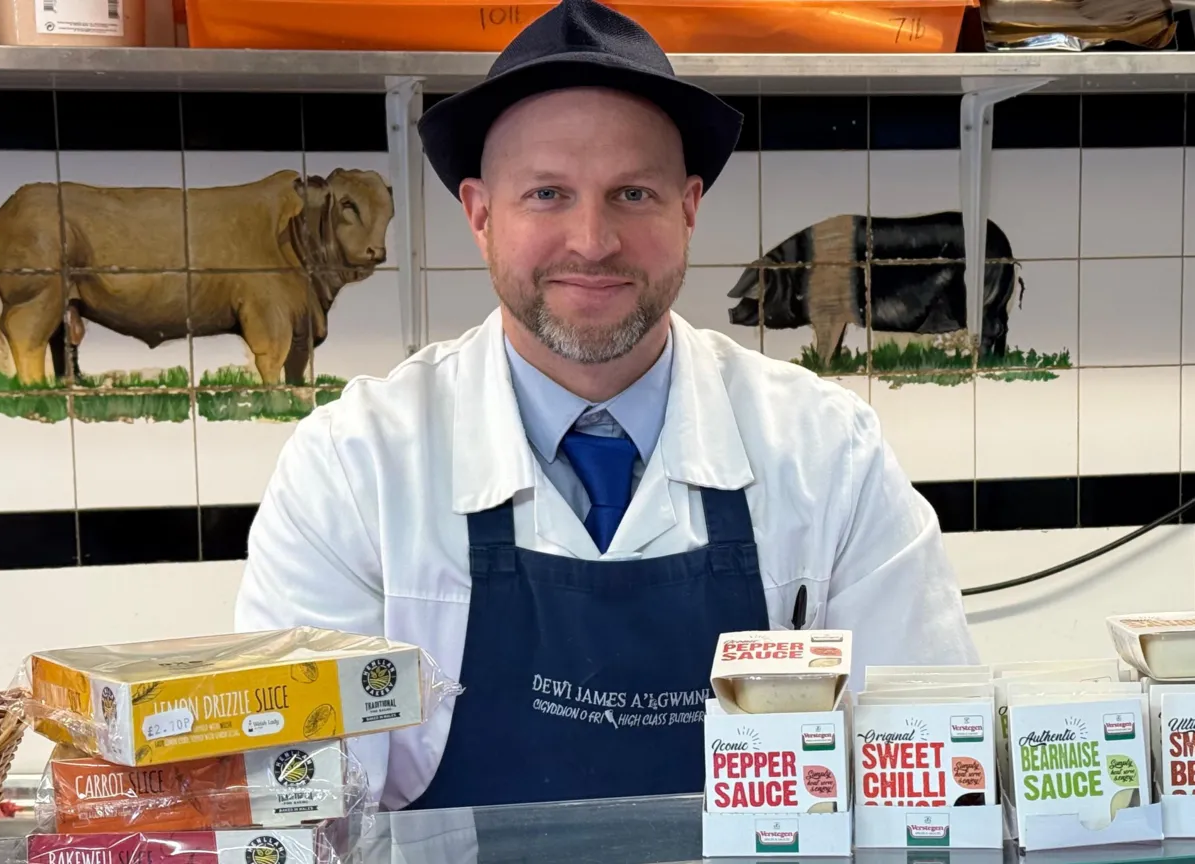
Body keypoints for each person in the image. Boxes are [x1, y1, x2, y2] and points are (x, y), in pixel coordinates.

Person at [234, 0, 978, 811]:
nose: (592, 240)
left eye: (632, 193)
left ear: (688, 208)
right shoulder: (353, 468)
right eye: (547, 193)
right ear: (481, 216)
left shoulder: (829, 452)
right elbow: (296, 807)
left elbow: (928, 768)